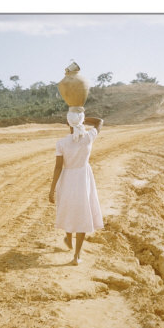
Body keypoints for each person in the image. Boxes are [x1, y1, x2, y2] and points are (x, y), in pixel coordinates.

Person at [49, 112, 104, 266]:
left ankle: (69, 239)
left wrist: (52, 189)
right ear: (81, 122)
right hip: (83, 178)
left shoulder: (61, 143)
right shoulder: (88, 137)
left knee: (68, 209)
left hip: (67, 178)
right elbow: (100, 121)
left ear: (67, 124)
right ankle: (77, 256)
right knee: (82, 213)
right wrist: (82, 118)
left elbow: (58, 167)